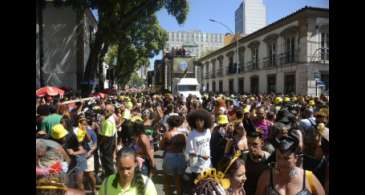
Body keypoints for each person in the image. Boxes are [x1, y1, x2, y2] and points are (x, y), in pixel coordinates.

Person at [255, 136, 325, 195]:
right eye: (279, 158)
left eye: (287, 158)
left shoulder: (308, 177)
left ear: (296, 158)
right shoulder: (266, 176)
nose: (282, 162)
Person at [159, 115, 186, 195]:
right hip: (180, 157)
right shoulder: (182, 135)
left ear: (169, 123)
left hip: (170, 157)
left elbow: (161, 147)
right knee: (178, 182)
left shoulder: (167, 134)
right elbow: (185, 146)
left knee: (167, 181)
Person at [186, 109, 213, 182]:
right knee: (198, 185)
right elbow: (190, 152)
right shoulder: (191, 135)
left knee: (207, 184)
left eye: (201, 120)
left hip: (208, 164)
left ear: (205, 121)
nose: (198, 122)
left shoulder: (207, 131)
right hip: (197, 166)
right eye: (197, 120)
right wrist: (201, 155)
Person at [99, 104, 117, 178]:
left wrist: (100, 143)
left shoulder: (109, 122)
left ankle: (112, 178)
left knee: (108, 162)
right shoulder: (107, 118)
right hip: (108, 142)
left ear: (112, 112)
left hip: (107, 143)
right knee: (107, 161)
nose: (105, 112)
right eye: (104, 110)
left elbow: (106, 137)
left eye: (107, 111)